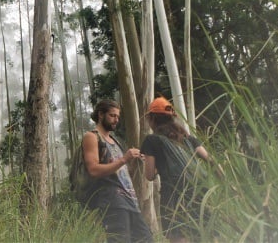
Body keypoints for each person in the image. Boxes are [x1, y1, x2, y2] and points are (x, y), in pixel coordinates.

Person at [82, 99, 153, 243]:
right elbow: (93, 170)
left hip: (130, 201)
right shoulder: (92, 136)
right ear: (101, 114)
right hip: (112, 200)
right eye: (112, 116)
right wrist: (124, 159)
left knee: (146, 238)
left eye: (118, 117)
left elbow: (120, 171)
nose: (116, 120)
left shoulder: (115, 141)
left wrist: (136, 158)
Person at [141, 97, 209, 243]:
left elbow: (149, 175)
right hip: (200, 191)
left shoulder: (151, 140)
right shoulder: (188, 139)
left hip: (173, 195)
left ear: (152, 119)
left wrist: (158, 166)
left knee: (178, 237)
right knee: (202, 235)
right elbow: (209, 160)